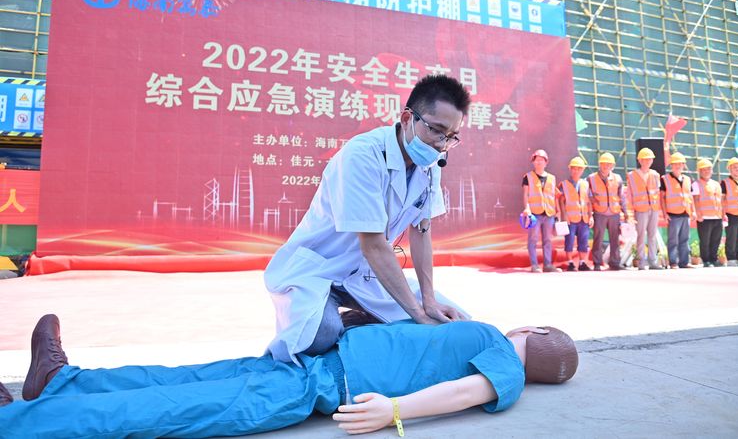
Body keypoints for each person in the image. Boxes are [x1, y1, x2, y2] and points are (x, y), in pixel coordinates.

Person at [0, 314, 578, 438]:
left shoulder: (504, 358)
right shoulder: (478, 333)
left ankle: (20, 422)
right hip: (308, 362)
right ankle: (61, 383)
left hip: (316, 386)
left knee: (177, 406)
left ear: (535, 333)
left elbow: (469, 391)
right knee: (185, 379)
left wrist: (396, 412)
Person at [264, 75, 472, 364]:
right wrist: (417, 314)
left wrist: (429, 301)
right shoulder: (363, 154)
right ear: (407, 118)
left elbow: (422, 231)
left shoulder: (430, 165)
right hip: (318, 270)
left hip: (366, 275)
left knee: (456, 325)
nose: (441, 145)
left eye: (451, 137)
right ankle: (342, 324)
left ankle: (359, 320)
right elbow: (373, 245)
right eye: (436, 130)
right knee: (320, 335)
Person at [522, 149, 561, 272]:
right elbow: (526, 194)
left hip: (549, 213)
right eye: (536, 160)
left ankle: (547, 265)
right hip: (534, 214)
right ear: (533, 162)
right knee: (533, 239)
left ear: (546, 162)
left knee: (548, 240)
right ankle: (534, 265)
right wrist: (527, 208)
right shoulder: (528, 177)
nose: (539, 162)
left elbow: (554, 196)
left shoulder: (552, 178)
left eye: (541, 160)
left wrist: (558, 211)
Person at [588, 153, 627, 271]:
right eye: (604, 163)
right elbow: (588, 196)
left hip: (614, 213)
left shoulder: (617, 178)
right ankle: (597, 263)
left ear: (613, 166)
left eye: (609, 164)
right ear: (600, 164)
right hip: (599, 212)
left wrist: (625, 212)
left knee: (615, 239)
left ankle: (615, 262)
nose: (606, 166)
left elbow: (621, 197)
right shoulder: (591, 178)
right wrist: (590, 212)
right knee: (598, 239)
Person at [627, 148, 663, 270]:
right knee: (641, 235)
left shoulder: (655, 175)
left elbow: (658, 193)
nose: (647, 161)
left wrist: (659, 210)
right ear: (640, 160)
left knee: (652, 235)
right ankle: (641, 261)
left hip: (653, 208)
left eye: (649, 159)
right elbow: (629, 196)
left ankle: (653, 261)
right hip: (640, 209)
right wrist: (630, 214)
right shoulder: (632, 175)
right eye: (645, 159)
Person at [660, 153, 696, 269]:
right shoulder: (665, 179)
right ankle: (673, 262)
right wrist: (665, 213)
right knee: (673, 240)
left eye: (680, 164)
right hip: (673, 214)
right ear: (671, 165)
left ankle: (684, 262)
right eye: (675, 164)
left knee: (685, 239)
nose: (678, 166)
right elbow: (662, 198)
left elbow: (690, 196)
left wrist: (693, 211)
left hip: (685, 213)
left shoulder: (687, 179)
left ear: (683, 165)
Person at [558, 157, 592, 271]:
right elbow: (560, 201)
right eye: (574, 168)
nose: (576, 171)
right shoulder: (564, 184)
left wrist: (591, 216)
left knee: (584, 241)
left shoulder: (586, 184)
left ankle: (582, 263)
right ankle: (570, 263)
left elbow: (589, 201)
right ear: (570, 169)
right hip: (570, 219)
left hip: (584, 218)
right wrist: (564, 216)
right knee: (569, 241)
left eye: (579, 168)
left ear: (583, 170)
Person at [692, 158, 724, 267]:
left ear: (712, 170)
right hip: (704, 217)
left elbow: (720, 200)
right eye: (703, 169)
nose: (706, 171)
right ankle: (706, 260)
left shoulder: (716, 184)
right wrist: (698, 214)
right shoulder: (696, 184)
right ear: (699, 171)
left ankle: (714, 259)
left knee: (716, 240)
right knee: (705, 241)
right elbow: (696, 200)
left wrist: (722, 215)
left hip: (717, 217)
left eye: (708, 169)